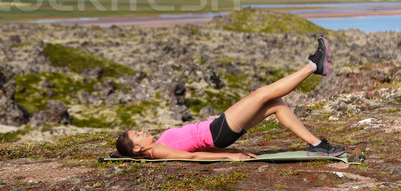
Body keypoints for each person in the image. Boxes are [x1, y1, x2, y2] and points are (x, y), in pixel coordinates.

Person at [116, 37, 346, 160]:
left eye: (139, 130)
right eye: (138, 135)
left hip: (218, 130)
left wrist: (233, 152)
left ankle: (317, 145)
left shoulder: (158, 144)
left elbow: (199, 149)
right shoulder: (159, 151)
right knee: (261, 93)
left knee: (275, 104)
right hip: (218, 132)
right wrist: (230, 156)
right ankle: (313, 66)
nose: (143, 132)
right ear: (136, 149)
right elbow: (195, 157)